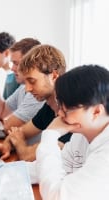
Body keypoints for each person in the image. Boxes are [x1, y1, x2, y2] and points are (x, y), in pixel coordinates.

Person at [29, 64, 109, 199]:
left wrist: (50, 136)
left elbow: (57, 196)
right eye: (60, 105)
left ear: (96, 111)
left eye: (67, 110)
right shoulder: (82, 135)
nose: (59, 113)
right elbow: (54, 167)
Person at [0, 44, 71, 161]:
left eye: (32, 81)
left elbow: (29, 156)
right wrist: (6, 146)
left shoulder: (70, 112)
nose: (27, 89)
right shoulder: (50, 107)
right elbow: (21, 132)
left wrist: (20, 145)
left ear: (54, 76)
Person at [0, 38, 44, 131]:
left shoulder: (37, 94)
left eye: (16, 63)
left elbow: (8, 126)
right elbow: (1, 112)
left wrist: (8, 121)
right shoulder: (22, 88)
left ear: (32, 63)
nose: (12, 68)